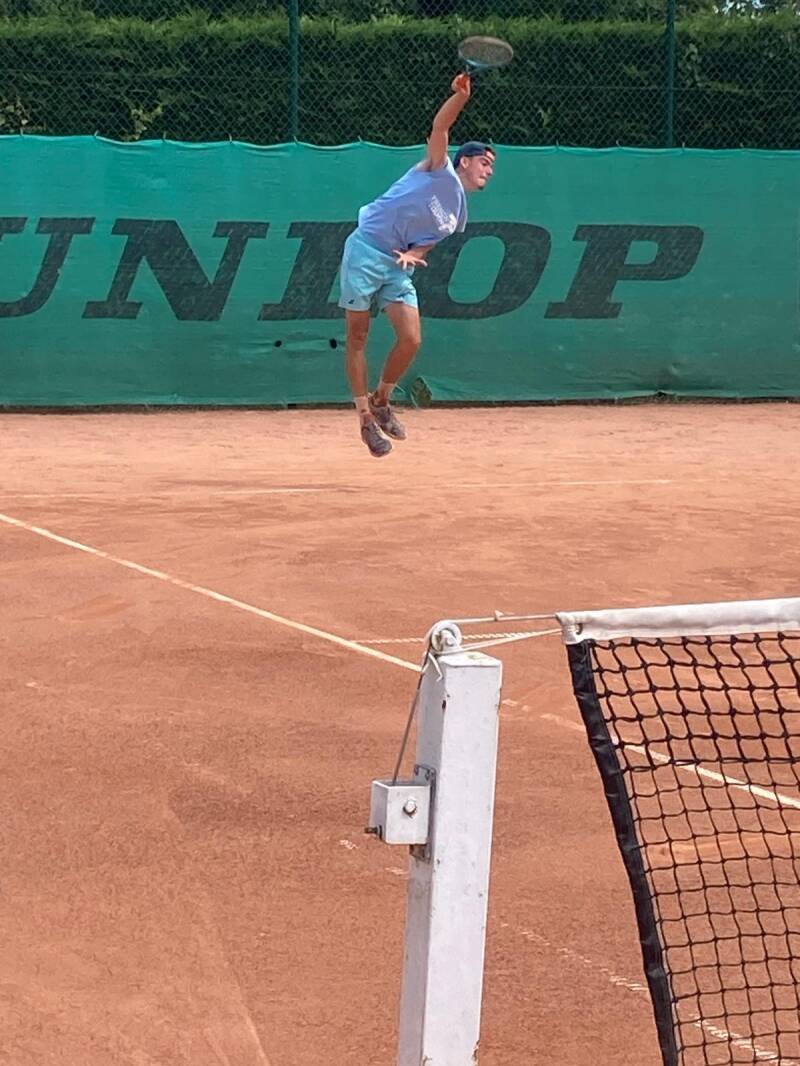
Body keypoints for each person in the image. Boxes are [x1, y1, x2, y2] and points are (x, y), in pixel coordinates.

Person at [338, 72, 496, 457]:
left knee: (411, 339)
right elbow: (440, 127)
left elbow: (428, 242)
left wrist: (414, 255)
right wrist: (460, 97)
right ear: (464, 161)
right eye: (484, 162)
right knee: (358, 336)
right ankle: (364, 419)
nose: (489, 170)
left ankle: (381, 399)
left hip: (397, 265)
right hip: (365, 250)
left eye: (491, 166)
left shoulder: (457, 215)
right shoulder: (438, 168)